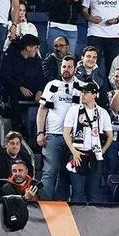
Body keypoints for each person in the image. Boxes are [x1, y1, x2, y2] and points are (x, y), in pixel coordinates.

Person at [36, 56, 81, 200]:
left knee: (67, 173)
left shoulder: (81, 86)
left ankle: (62, 206)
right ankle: (43, 204)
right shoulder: (53, 85)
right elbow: (42, 110)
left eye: (69, 67)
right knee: (49, 171)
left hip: (74, 138)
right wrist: (40, 132)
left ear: (75, 68)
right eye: (64, 66)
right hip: (53, 135)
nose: (66, 70)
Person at [63, 82, 113, 203]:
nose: (82, 95)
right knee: (77, 192)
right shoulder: (74, 110)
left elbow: (110, 136)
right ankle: (75, 219)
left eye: (86, 92)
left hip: (95, 155)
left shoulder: (102, 112)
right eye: (82, 92)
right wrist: (73, 151)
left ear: (94, 94)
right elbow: (66, 133)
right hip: (78, 154)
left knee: (93, 194)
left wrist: (102, 151)